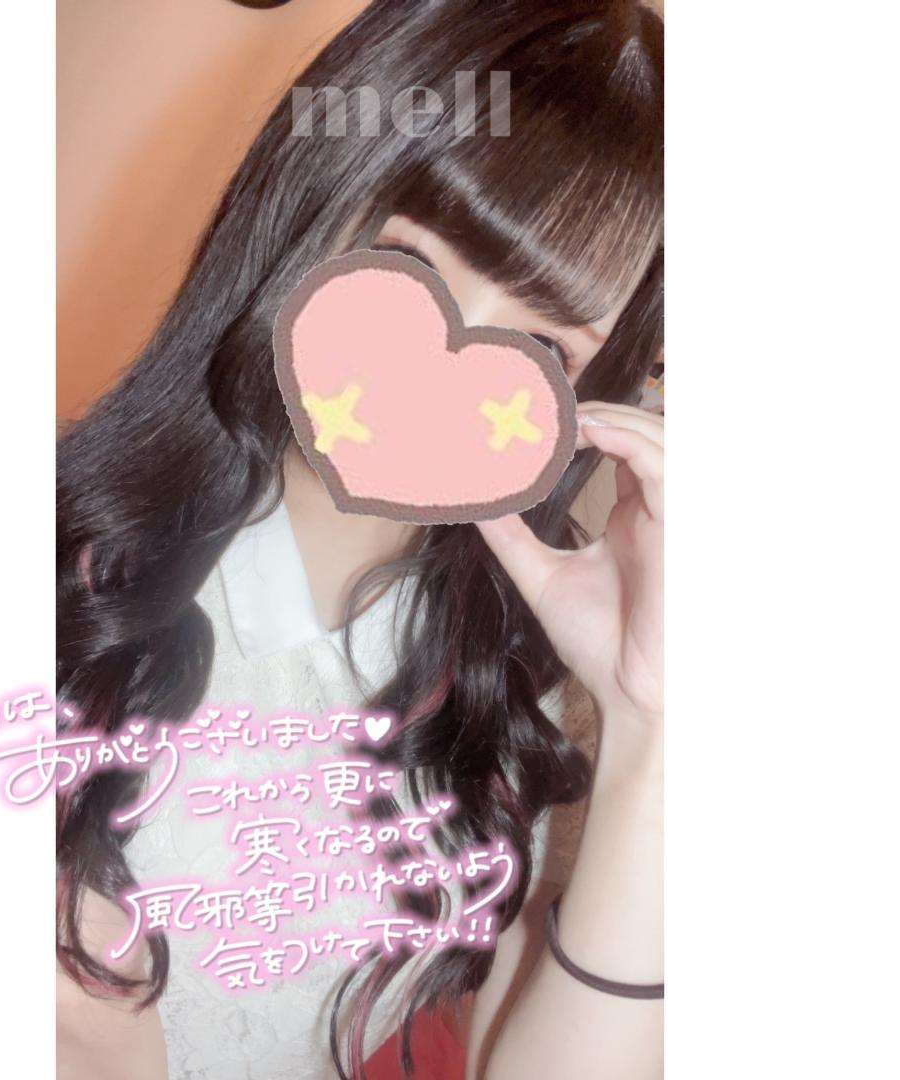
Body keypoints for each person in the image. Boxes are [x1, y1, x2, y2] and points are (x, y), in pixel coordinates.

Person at [56, 2, 664, 1077]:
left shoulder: (502, 703)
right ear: (304, 211)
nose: (447, 358)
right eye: (400, 260)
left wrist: (648, 724)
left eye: (541, 342)